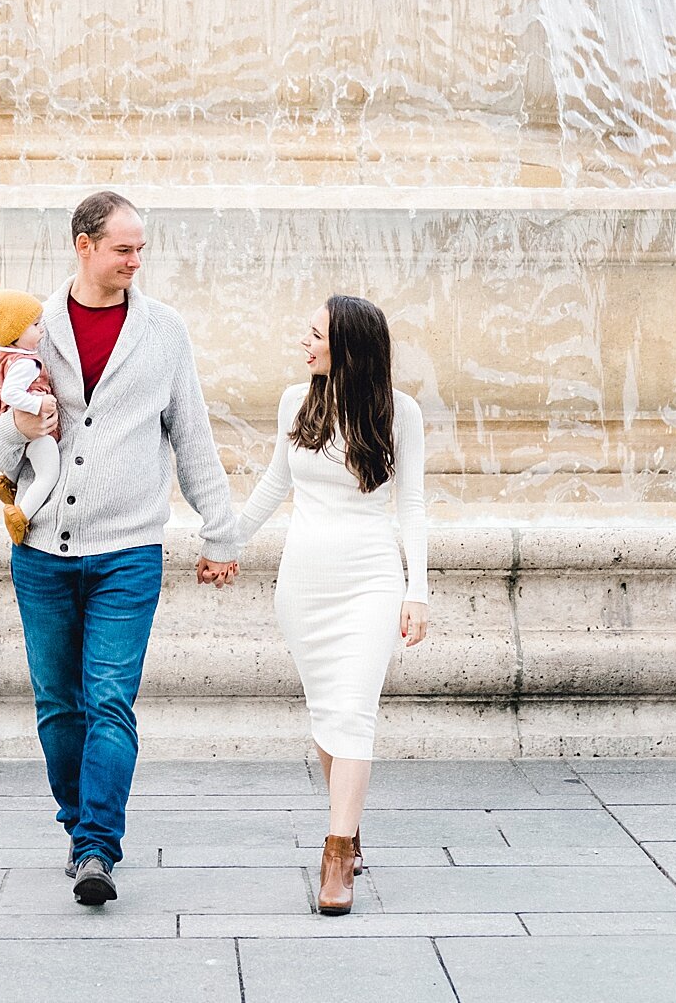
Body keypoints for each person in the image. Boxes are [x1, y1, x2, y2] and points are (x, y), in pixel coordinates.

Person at [0, 190, 243, 908]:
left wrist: (222, 530)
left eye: (140, 248)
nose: (135, 260)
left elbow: (193, 437)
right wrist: (25, 429)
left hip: (129, 551)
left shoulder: (164, 332)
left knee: (112, 701)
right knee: (58, 706)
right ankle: (76, 818)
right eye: (123, 247)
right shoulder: (31, 329)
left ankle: (97, 844)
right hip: (41, 551)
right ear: (84, 246)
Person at [234, 296, 429, 916]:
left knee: (354, 715)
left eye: (315, 335)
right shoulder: (298, 401)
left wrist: (416, 589)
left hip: (370, 581)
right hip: (303, 584)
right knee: (327, 716)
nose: (304, 342)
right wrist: (224, 541)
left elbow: (413, 506)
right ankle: (349, 822)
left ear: (347, 347)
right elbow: (273, 484)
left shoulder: (401, 413)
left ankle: (337, 854)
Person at [0, 289, 60, 544]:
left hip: (4, 418)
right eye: (35, 325)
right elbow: (13, 393)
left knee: (25, 459)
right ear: (15, 333)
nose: (42, 329)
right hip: (38, 431)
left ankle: (7, 481)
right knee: (47, 475)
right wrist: (37, 403)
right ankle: (21, 515)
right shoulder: (26, 362)